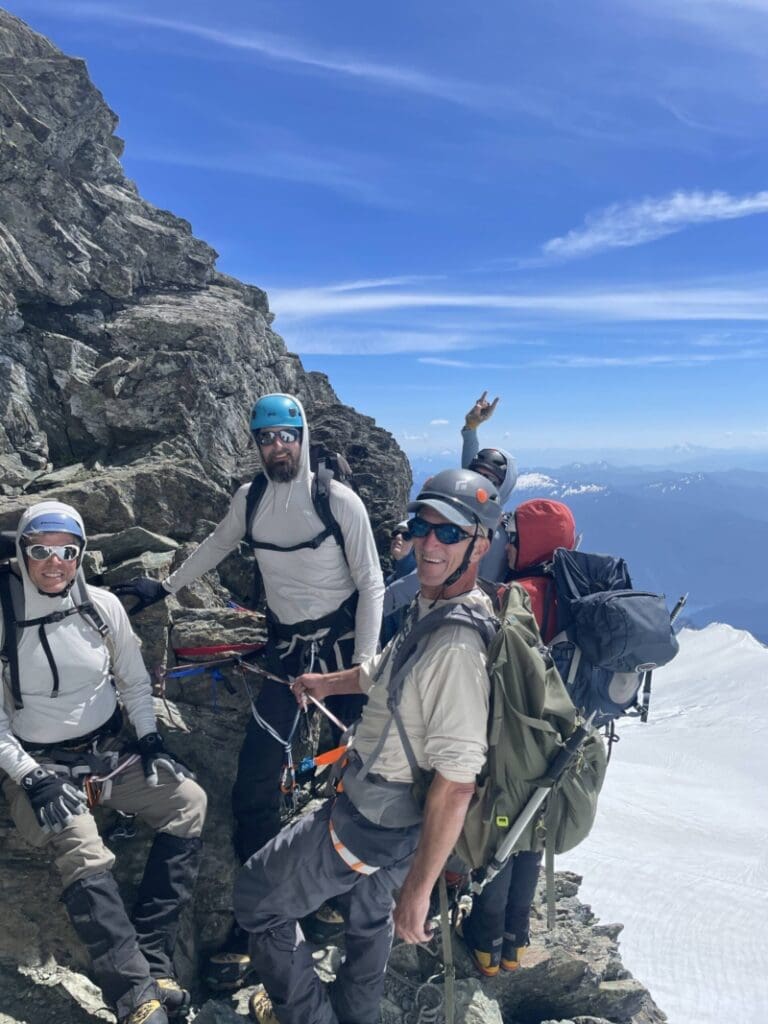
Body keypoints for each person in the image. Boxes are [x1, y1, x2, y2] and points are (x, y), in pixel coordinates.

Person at [113, 393, 384, 984]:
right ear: (256, 444)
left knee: (355, 777)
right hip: (287, 654)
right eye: (266, 438)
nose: (277, 447)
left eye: (286, 435)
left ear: (302, 437)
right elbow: (215, 546)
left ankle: (341, 895)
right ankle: (262, 905)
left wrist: (362, 665)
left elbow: (372, 584)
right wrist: (166, 585)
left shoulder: (337, 501)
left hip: (338, 653)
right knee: (255, 784)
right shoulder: (252, 499)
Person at [232, 468, 502, 1024]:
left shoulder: (457, 647)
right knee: (367, 918)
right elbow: (383, 672)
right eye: (422, 527)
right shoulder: (438, 607)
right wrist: (324, 683)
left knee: (258, 896)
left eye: (450, 533)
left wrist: (421, 893)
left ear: (481, 543)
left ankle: (306, 1015)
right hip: (397, 824)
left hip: (371, 822)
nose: (430, 543)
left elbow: (456, 784)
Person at [0, 501, 207, 1024]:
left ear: (81, 554)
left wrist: (151, 740)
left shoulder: (103, 607)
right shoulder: (3, 617)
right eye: (40, 550)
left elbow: (134, 683)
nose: (54, 563)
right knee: (81, 844)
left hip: (108, 754)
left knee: (189, 804)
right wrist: (31, 779)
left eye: (67, 551)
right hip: (39, 767)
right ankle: (135, 993)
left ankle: (155, 962)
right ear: (22, 553)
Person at [459, 497, 577, 976]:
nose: (507, 548)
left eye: (515, 539)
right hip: (561, 736)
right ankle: (515, 942)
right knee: (532, 831)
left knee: (499, 830)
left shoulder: (516, 596)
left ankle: (485, 941)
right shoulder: (571, 595)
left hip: (516, 732)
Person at [460, 391, 518, 582]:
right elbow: (468, 477)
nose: (481, 484)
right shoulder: (471, 511)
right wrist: (471, 427)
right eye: (479, 476)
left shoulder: (496, 536)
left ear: (502, 486)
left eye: (490, 480)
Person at [379, 520, 416, 645]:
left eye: (407, 536)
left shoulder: (426, 578)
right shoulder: (389, 581)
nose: (398, 537)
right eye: (395, 534)